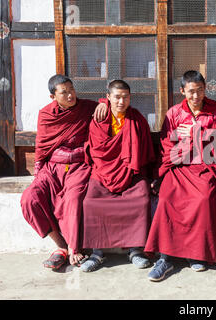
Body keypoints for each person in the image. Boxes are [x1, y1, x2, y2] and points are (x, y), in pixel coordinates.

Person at [145, 70, 216, 282]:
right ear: (182, 91)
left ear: (205, 88)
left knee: (204, 199)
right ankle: (165, 257)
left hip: (206, 167)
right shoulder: (174, 113)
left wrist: (193, 134)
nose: (196, 96)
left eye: (200, 90)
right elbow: (166, 144)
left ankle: (196, 254)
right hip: (179, 166)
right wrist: (197, 140)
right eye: (191, 91)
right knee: (166, 199)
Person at [21, 74, 107, 269]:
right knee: (30, 198)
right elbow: (41, 146)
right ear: (53, 97)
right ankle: (60, 246)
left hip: (78, 165)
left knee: (73, 199)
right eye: (64, 92)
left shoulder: (85, 108)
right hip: (52, 167)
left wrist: (103, 103)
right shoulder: (46, 114)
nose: (70, 95)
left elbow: (108, 105)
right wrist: (37, 175)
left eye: (72, 90)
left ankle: (74, 248)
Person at [80, 80, 156, 272]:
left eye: (125, 97)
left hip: (131, 172)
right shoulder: (99, 118)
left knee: (142, 199)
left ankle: (135, 250)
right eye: (117, 97)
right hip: (103, 171)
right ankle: (97, 252)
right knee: (90, 201)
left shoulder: (137, 119)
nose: (121, 101)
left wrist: (150, 176)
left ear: (130, 97)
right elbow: (97, 151)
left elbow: (145, 151)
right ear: (108, 98)